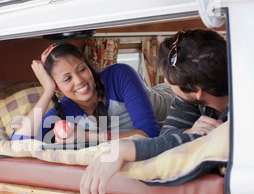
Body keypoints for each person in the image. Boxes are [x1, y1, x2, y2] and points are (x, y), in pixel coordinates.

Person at [80, 29, 229, 194]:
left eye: (171, 79)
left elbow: (205, 143)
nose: (166, 80)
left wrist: (123, 149)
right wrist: (189, 132)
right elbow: (167, 135)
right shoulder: (188, 96)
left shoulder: (244, 111)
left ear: (196, 91)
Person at [11, 42, 159, 143]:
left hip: (165, 98)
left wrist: (88, 136)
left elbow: (150, 133)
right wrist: (48, 91)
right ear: (56, 87)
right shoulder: (65, 110)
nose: (79, 80)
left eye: (82, 69)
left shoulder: (120, 75)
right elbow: (18, 142)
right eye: (67, 79)